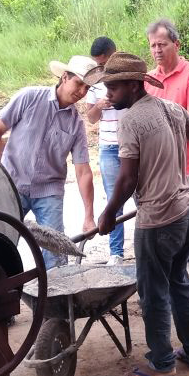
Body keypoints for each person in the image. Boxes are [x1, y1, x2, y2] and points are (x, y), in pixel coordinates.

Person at [95, 53, 189, 376]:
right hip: (182, 214)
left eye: (114, 89)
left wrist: (108, 214)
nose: (109, 96)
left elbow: (127, 179)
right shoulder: (172, 109)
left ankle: (162, 363)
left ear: (133, 86)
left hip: (156, 220)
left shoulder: (130, 121)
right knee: (179, 283)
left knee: (153, 293)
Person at [0, 55, 96, 268]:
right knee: (0, 243)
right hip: (13, 184)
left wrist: (89, 216)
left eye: (87, 88)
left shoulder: (76, 125)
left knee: (56, 252)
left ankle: (57, 299)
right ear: (65, 77)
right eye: (79, 84)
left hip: (49, 192)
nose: (82, 92)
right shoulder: (29, 97)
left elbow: (83, 171)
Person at [146, 18, 189, 313]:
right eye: (152, 46)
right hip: (159, 169)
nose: (157, 50)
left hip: (188, 166)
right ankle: (174, 288)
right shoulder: (148, 80)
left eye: (161, 44)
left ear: (176, 44)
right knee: (162, 230)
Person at [84, 36, 125, 265]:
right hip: (108, 148)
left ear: (114, 55)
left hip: (133, 146)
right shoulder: (94, 83)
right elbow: (90, 118)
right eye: (97, 63)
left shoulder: (129, 77)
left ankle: (147, 247)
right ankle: (116, 252)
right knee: (113, 200)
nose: (101, 67)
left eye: (104, 62)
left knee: (142, 198)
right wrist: (100, 104)